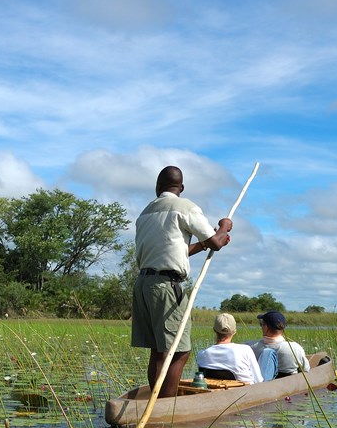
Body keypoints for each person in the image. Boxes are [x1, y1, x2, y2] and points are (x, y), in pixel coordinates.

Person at [132, 166, 232, 398]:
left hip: (143, 285)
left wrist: (209, 242)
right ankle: (165, 405)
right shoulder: (185, 207)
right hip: (167, 286)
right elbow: (216, 242)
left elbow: (178, 251)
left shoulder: (146, 212)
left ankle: (156, 402)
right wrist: (224, 226)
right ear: (182, 188)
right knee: (178, 352)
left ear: (158, 187)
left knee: (158, 351)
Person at [196, 313, 263, 384]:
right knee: (268, 353)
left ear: (214, 330)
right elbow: (258, 380)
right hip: (245, 391)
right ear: (234, 331)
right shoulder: (245, 350)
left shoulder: (201, 354)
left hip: (216, 391)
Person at [249, 311, 310, 380]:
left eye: (261, 324)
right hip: (290, 386)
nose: (261, 327)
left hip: (261, 385)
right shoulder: (295, 348)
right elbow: (306, 370)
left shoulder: (249, 347)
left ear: (266, 327)